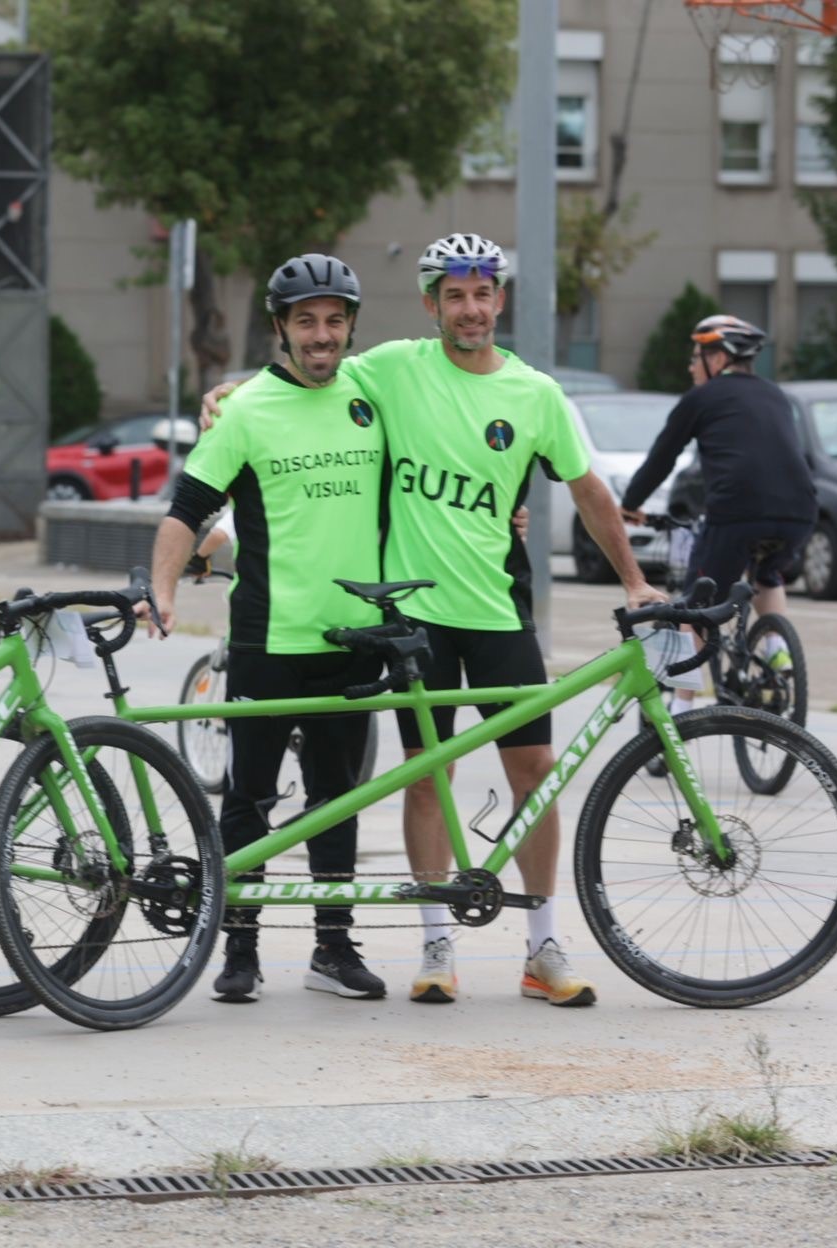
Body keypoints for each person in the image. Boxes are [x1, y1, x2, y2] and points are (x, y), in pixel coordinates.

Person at [203, 232, 661, 1008]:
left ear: (499, 301)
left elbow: (588, 493)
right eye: (455, 295)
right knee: (428, 775)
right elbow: (307, 367)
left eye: (483, 294)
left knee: (534, 775)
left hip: (495, 611)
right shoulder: (395, 368)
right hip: (415, 614)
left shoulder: (536, 394)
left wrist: (637, 579)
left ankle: (543, 944)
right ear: (431, 304)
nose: (471, 309)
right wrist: (232, 389)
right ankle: (435, 944)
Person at [146, 253, 391, 1004]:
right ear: (280, 328)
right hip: (267, 638)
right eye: (307, 321)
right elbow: (188, 507)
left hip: (354, 638)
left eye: (335, 319)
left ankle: (333, 946)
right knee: (248, 799)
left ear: (352, 325)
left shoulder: (374, 393)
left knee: (336, 797)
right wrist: (160, 587)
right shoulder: (247, 411)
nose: (323, 335)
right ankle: (240, 948)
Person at [620, 314, 814, 693]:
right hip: (799, 512)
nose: (691, 366)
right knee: (766, 573)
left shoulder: (701, 398)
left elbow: (663, 457)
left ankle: (679, 709)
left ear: (719, 359)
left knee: (696, 605)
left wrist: (630, 504)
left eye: (697, 357)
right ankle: (777, 649)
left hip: (737, 512)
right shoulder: (776, 395)